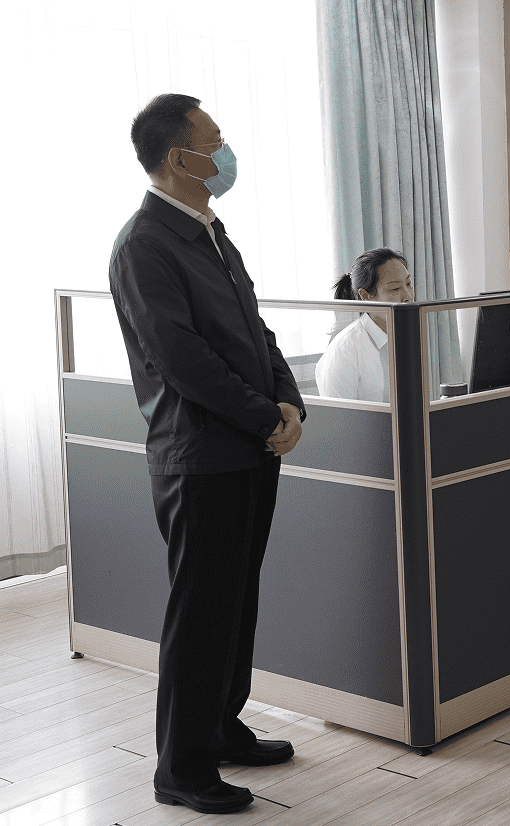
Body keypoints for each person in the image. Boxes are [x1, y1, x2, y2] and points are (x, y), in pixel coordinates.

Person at [109, 94, 305, 814]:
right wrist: (262, 416)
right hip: (199, 456)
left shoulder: (212, 233)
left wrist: (288, 400)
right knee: (200, 614)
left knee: (235, 601)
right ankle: (182, 769)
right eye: (214, 141)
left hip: (248, 446)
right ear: (178, 158)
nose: (225, 153)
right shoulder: (144, 245)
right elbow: (181, 359)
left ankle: (222, 727)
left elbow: (256, 330)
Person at [315, 248, 415, 402]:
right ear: (366, 295)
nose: (408, 296)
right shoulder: (345, 350)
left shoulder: (407, 337)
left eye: (409, 284)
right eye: (395, 288)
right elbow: (340, 415)